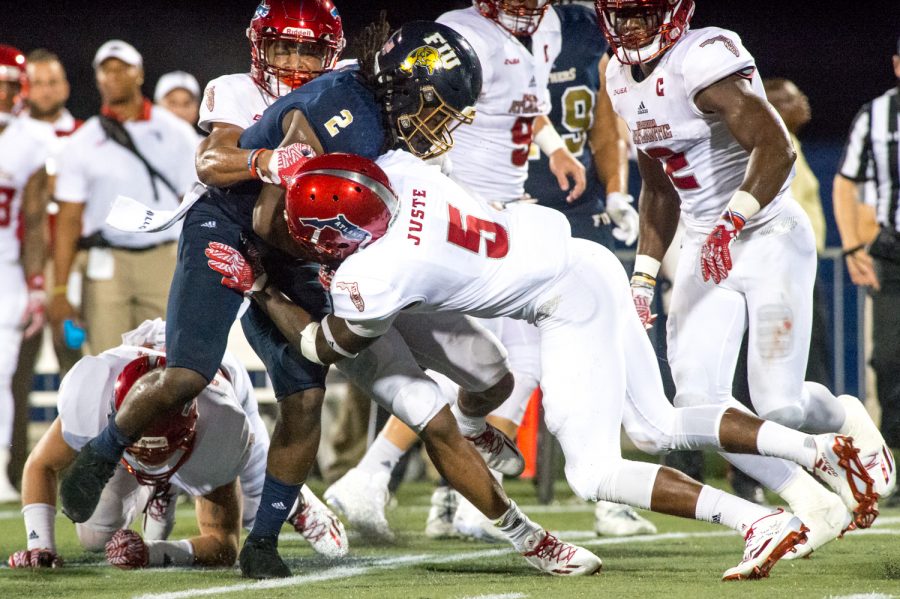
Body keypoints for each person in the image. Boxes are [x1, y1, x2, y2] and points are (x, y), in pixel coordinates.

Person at [255, 150, 879, 580]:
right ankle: (818, 448)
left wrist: (264, 291)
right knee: (657, 424)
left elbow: (325, 346)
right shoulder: (399, 172)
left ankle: (757, 518)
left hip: (563, 302)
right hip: (583, 257)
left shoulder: (374, 273)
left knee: (594, 472)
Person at [59, 1, 351, 576]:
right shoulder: (236, 89)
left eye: (308, 49)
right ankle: (104, 451)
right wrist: (270, 159)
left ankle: (263, 539)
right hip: (227, 226)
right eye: (283, 47)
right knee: (190, 371)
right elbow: (214, 158)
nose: (294, 61)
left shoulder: (347, 89)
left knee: (306, 395)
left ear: (331, 54)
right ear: (259, 47)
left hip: (296, 247)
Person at [595, 0, 895, 541]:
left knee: (779, 404)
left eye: (642, 12)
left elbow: (777, 146)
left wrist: (731, 221)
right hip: (705, 242)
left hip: (767, 233)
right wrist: (642, 275)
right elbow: (659, 187)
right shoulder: (618, 75)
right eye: (621, 14)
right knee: (696, 403)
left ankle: (846, 416)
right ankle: (809, 499)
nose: (631, 25)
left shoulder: (701, 59)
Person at [523, 0, 650, 538]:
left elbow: (605, 122)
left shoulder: (588, 27)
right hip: (513, 206)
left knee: (607, 347)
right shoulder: (483, 29)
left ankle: (610, 493)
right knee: (489, 352)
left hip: (579, 210)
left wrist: (619, 191)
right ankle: (451, 492)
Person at [9, 319, 266, 569]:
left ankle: (167, 483)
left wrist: (151, 553)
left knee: (251, 502)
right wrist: (39, 546)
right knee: (93, 538)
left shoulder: (220, 423)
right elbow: (41, 464)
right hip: (131, 447)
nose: (148, 458)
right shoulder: (93, 394)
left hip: (204, 403)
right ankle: (158, 488)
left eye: (157, 453)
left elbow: (225, 544)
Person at [48, 40, 198, 355]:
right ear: (98, 78)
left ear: (139, 73)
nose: (114, 76)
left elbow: (196, 203)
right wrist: (59, 291)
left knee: (168, 359)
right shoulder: (83, 141)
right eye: (106, 70)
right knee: (109, 359)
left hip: (164, 258)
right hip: (107, 263)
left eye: (122, 68)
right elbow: (68, 219)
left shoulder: (175, 132)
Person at [10, 48, 82, 493]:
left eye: (53, 81)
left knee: (76, 368)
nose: (46, 90)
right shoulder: (11, 137)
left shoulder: (85, 134)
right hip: (19, 274)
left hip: (70, 273)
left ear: (66, 86)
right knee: (15, 374)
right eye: (37, 82)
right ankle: (15, 467)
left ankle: (76, 467)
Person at [833, 37, 900, 501]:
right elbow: (845, 181)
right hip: (893, 251)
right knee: (890, 359)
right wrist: (855, 244)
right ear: (896, 64)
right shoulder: (875, 115)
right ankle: (894, 459)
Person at [0, 44, 54, 502]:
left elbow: (35, 221)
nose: (0, 96)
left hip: (6, 269)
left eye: (7, 87)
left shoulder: (32, 140)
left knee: (0, 373)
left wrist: (38, 285)